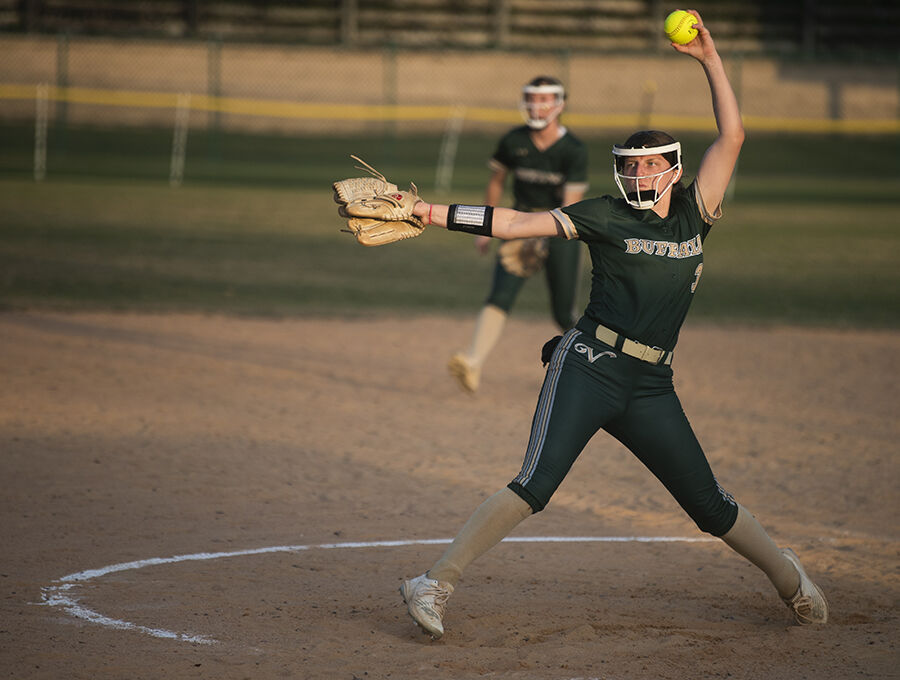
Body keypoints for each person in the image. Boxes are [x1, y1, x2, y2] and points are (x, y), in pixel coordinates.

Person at [399, 11, 828, 639]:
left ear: (675, 169)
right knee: (535, 484)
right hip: (590, 365)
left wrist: (710, 58)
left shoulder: (694, 213)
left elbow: (732, 136)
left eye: (653, 164)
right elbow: (517, 223)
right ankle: (433, 583)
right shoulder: (603, 213)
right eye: (631, 165)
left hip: (651, 384)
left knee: (708, 506)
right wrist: (424, 210)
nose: (640, 174)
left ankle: (789, 580)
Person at [447, 75, 589, 393]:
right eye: (531, 98)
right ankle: (471, 361)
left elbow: (571, 205)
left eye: (543, 99)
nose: (536, 105)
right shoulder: (514, 140)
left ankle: (602, 365)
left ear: (559, 105)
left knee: (563, 311)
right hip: (517, 224)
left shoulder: (574, 149)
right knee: (499, 296)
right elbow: (497, 181)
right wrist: (483, 231)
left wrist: (545, 238)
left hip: (560, 231)